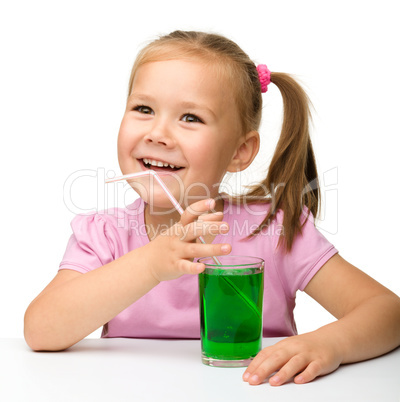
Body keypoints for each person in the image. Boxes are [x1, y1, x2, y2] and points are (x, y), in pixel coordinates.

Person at [24, 30, 400, 386]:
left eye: (191, 117)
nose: (157, 133)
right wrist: (151, 263)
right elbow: (41, 330)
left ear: (239, 151)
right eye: (143, 108)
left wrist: (328, 344)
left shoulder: (273, 229)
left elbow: (387, 312)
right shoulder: (105, 235)